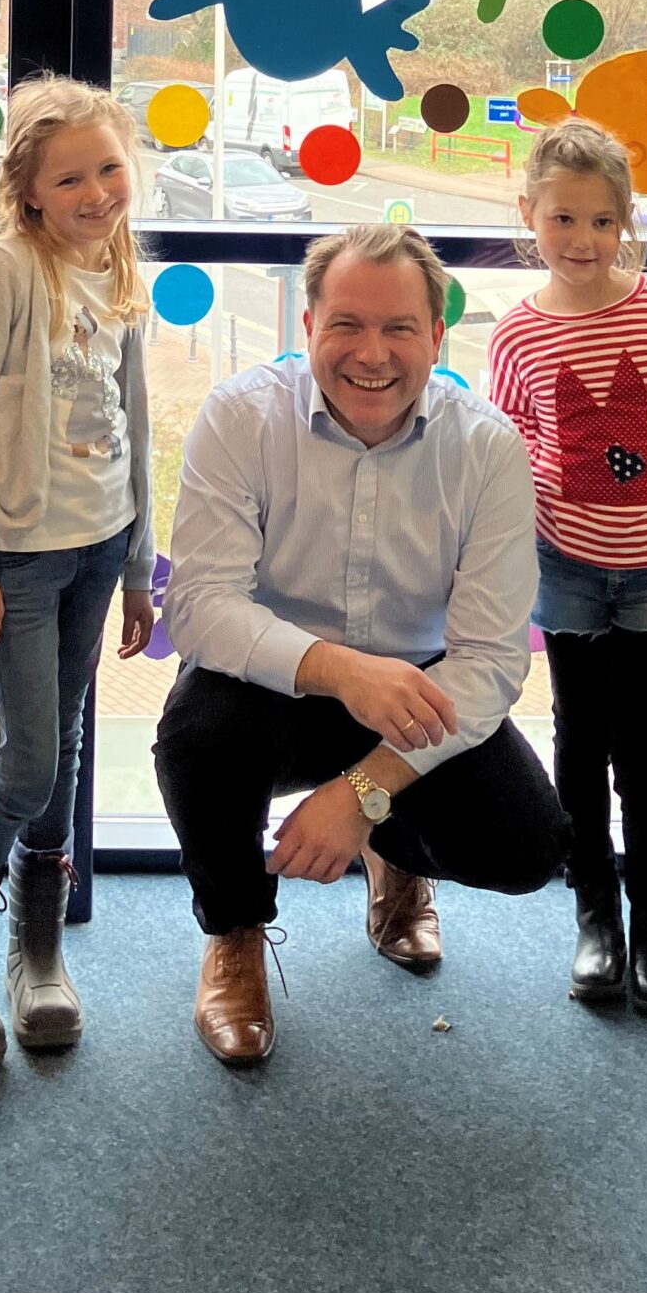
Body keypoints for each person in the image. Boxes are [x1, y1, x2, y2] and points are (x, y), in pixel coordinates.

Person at [153, 224, 570, 1066]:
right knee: (197, 738)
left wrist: (362, 797)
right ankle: (235, 932)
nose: (371, 354)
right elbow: (198, 607)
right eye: (346, 324)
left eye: (398, 328)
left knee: (528, 846)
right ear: (308, 326)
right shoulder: (241, 417)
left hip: (420, 696)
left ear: (437, 338)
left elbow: (491, 664)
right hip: (275, 681)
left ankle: (391, 855)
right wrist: (340, 671)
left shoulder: (488, 448)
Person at [0, 78, 156, 1072]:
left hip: (99, 550)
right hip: (19, 560)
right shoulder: (5, 270)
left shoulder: (119, 267)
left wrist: (138, 567)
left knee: (65, 747)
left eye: (109, 170)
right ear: (28, 190)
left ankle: (38, 951)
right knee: (27, 766)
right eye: (70, 179)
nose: (96, 193)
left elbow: (138, 428)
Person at [489, 119, 647, 1019]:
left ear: (626, 221)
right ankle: (595, 915)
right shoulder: (518, 336)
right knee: (580, 747)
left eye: (601, 221)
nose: (582, 241)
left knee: (646, 757)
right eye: (563, 219)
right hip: (569, 570)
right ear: (530, 215)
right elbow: (515, 452)